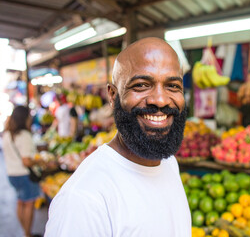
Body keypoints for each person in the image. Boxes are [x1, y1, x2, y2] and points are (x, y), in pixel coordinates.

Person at [44, 37, 191, 236]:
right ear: (113, 96)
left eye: (173, 86)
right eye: (141, 85)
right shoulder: (83, 199)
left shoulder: (168, 163)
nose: (160, 100)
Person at [2, 106, 43, 237]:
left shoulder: (7, 134)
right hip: (25, 175)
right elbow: (26, 161)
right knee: (29, 203)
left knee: (20, 201)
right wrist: (40, 161)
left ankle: (25, 232)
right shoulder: (24, 135)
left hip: (12, 175)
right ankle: (27, 233)